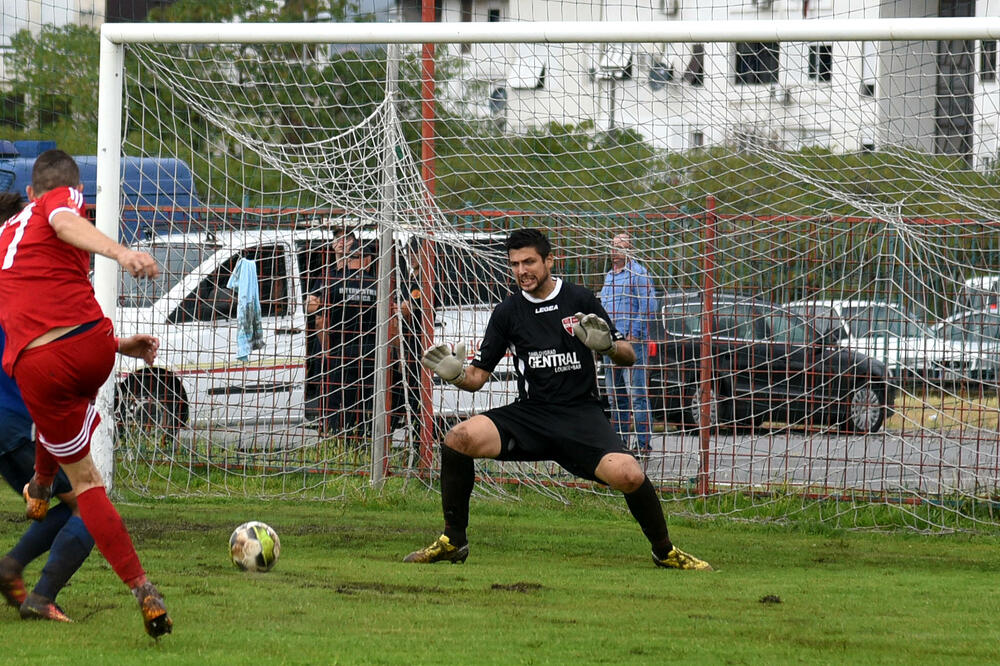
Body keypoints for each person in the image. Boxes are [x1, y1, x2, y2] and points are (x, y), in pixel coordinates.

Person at [405, 228, 710, 570]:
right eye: (515, 264)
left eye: (530, 262)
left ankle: (664, 551)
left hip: (581, 416)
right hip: (532, 415)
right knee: (457, 439)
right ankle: (453, 541)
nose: (522, 271)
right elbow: (477, 378)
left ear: (550, 260)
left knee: (630, 474)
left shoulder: (579, 299)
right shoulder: (507, 312)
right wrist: (456, 373)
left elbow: (629, 355)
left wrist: (607, 345)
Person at [0, 149, 172, 638]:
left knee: (84, 483)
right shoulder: (53, 204)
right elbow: (61, 217)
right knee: (81, 480)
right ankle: (41, 504)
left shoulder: (7, 244)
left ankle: (140, 588)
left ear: (28, 192)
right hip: (84, 350)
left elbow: (35, 330)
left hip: (35, 373)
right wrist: (123, 252)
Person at [307, 230, 378, 435]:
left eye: (346, 239)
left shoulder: (334, 283)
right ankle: (363, 438)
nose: (341, 243)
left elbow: (321, 318)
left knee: (337, 400)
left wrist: (327, 349)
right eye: (337, 238)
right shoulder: (377, 283)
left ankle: (337, 437)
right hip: (369, 352)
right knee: (363, 401)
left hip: (339, 350)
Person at [600, 233, 658, 454]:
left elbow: (649, 305)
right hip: (609, 344)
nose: (616, 251)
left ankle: (643, 445)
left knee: (637, 397)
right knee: (616, 398)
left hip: (632, 344)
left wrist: (634, 333)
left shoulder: (638, 274)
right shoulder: (609, 277)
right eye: (614, 246)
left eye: (621, 247)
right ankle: (620, 444)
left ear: (630, 250)